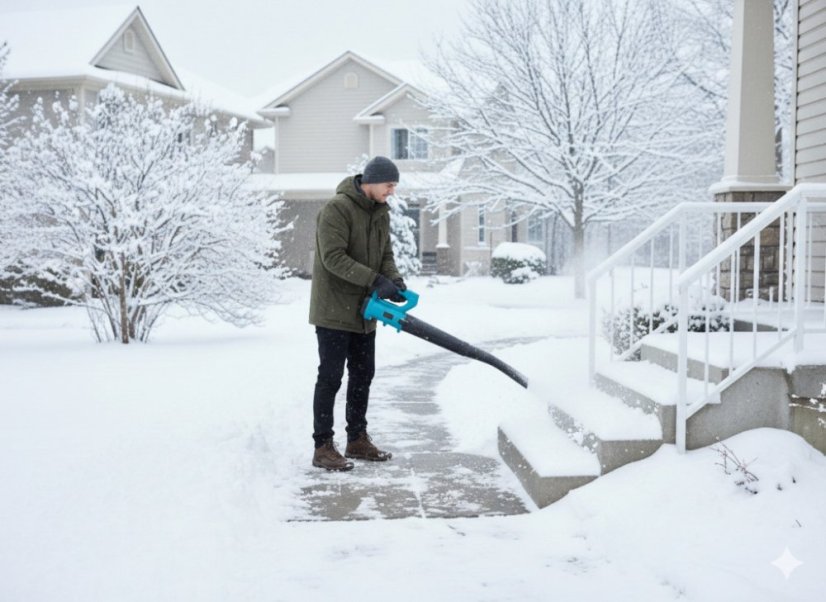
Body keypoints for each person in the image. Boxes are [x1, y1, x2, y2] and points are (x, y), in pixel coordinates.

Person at [308, 156, 406, 471]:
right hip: (335, 310)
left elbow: (385, 255)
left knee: (364, 375)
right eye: (389, 185)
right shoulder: (337, 209)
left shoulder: (380, 214)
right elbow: (333, 258)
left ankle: (357, 439)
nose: (392, 191)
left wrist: (394, 280)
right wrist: (375, 280)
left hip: (366, 312)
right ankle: (323, 445)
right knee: (331, 378)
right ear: (371, 181)